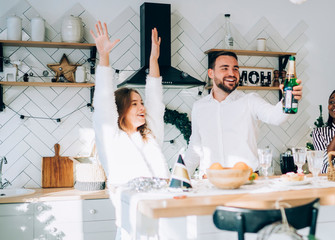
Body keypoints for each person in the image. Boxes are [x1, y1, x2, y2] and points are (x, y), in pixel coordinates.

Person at [91, 21, 170, 239]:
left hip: (165, 220)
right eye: (134, 104)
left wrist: (154, 60)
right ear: (120, 110)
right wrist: (104, 57)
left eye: (140, 102)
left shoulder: (150, 135)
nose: (142, 107)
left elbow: (155, 96)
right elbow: (104, 98)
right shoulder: (111, 138)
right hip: (133, 227)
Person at [184, 51, 303, 176]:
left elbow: (276, 117)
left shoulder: (250, 101)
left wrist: (289, 100)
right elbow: (194, 148)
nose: (232, 73)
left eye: (235, 69)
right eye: (225, 68)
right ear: (211, 73)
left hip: (247, 181)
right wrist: (179, 179)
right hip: (210, 182)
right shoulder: (199, 107)